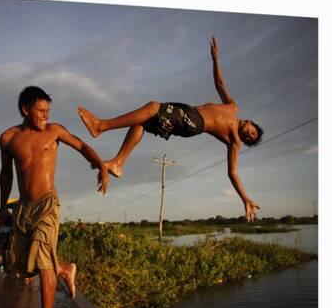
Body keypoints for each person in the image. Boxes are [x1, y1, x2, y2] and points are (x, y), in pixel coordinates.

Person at [77, 36, 263, 222]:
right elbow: (220, 84)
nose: (248, 135)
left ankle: (101, 126)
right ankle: (118, 163)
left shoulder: (234, 142)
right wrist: (215, 58)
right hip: (188, 111)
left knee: (152, 107)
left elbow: (232, 173)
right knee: (141, 120)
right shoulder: (233, 107)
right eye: (252, 132)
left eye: (250, 139)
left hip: (194, 122)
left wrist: (245, 198)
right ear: (251, 122)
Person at [0, 86, 109, 308]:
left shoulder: (54, 131)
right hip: (23, 208)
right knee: (23, 264)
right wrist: (2, 207)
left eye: (48, 111)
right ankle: (66, 268)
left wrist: (101, 165)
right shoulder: (8, 138)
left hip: (48, 204)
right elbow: (6, 174)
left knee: (44, 260)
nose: (46, 115)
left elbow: (82, 146)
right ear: (26, 109)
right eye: (41, 111)